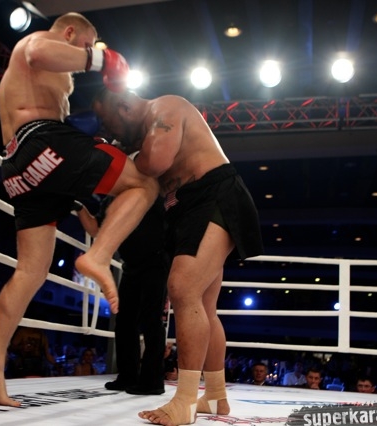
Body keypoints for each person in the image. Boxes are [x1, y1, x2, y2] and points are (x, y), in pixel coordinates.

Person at [0, 12, 159, 407]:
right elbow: (39, 52)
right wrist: (102, 59)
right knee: (144, 183)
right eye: (86, 45)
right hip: (42, 141)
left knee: (31, 271)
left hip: (20, 166)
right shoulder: (38, 42)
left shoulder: (40, 76)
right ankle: (99, 255)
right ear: (71, 33)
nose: (85, 55)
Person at [92, 89, 264, 425]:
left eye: (107, 120)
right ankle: (215, 395)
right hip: (186, 210)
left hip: (212, 195)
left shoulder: (165, 108)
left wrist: (119, 158)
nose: (108, 130)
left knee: (183, 288)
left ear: (124, 106)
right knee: (204, 307)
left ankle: (184, 400)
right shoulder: (144, 135)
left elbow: (155, 163)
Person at [76, 187, 168, 395]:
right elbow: (96, 229)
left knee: (151, 320)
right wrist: (79, 207)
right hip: (131, 265)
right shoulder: (111, 200)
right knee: (125, 321)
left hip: (156, 261)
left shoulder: (150, 188)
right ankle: (127, 376)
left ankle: (152, 381)